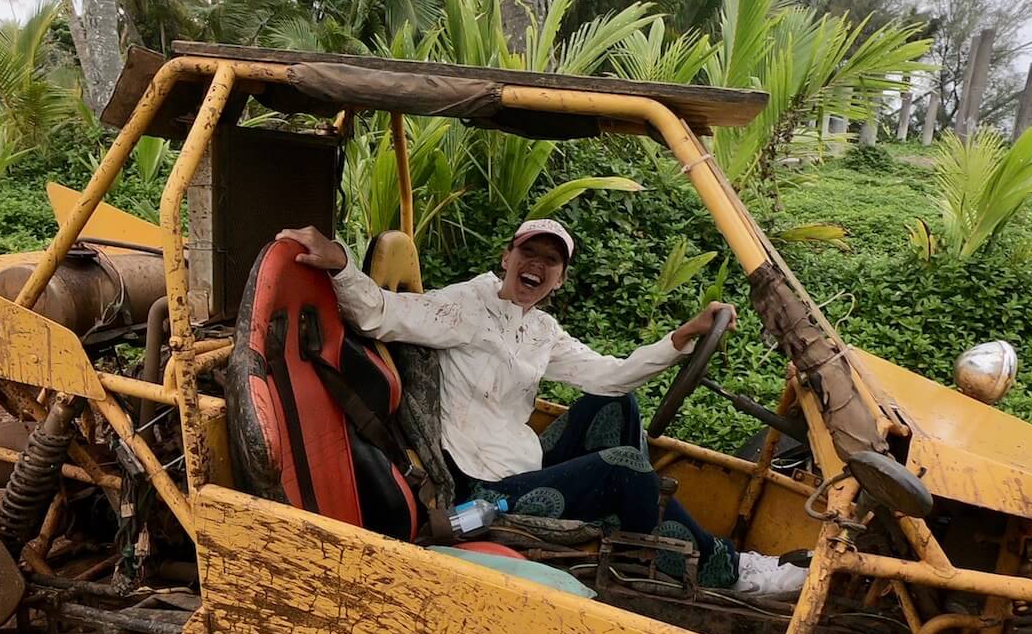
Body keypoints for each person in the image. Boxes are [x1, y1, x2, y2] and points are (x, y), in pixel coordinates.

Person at [279, 217, 807, 597]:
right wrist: (342, 263)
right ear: (507, 257)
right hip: (481, 493)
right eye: (528, 253)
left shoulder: (540, 328)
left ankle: (660, 533)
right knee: (627, 469)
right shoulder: (465, 307)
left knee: (617, 404)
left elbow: (608, 373)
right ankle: (715, 568)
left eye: (550, 261)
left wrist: (682, 338)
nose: (536, 265)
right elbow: (379, 315)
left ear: (559, 279)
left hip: (522, 466)